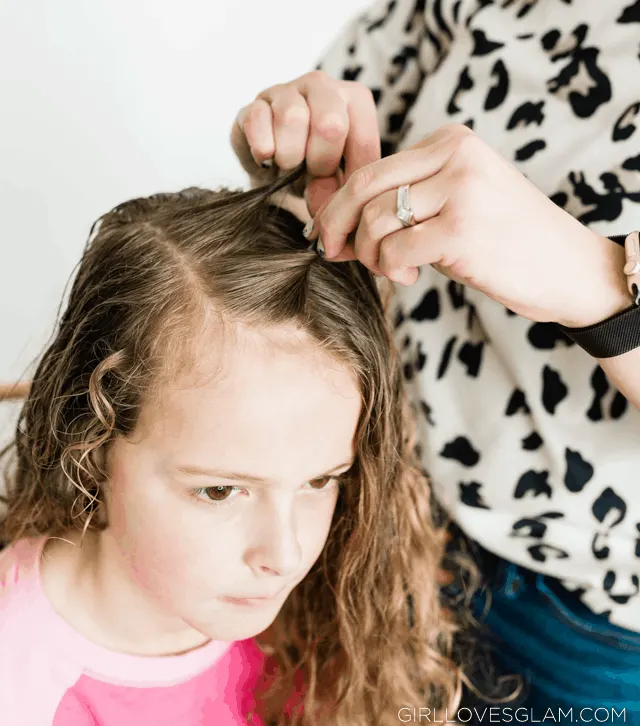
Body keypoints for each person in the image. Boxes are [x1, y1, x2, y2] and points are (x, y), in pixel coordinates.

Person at [231, 0, 640, 719]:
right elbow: (341, 159)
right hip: (369, 497)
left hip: (574, 611)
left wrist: (600, 286)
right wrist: (302, 146)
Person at [0, 169, 468, 725]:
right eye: (221, 491)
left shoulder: (315, 614)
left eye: (320, 481)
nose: (285, 555)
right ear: (94, 440)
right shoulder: (22, 682)